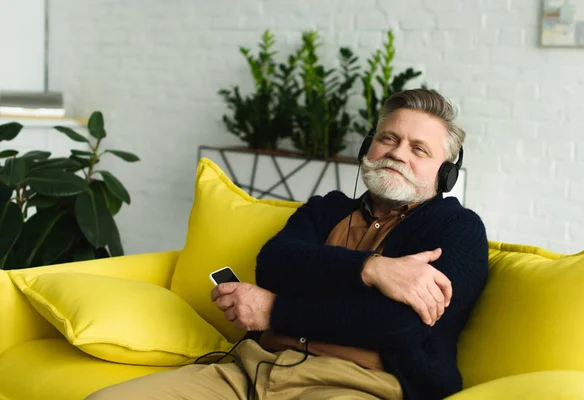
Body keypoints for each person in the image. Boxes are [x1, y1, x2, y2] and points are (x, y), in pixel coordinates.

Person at [86, 89, 488, 400]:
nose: (397, 153)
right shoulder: (326, 209)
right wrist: (370, 269)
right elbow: (276, 263)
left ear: (445, 173)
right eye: (388, 138)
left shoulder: (457, 229)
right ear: (369, 147)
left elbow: (399, 325)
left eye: (419, 149)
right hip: (251, 370)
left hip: (354, 387)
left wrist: (275, 310)